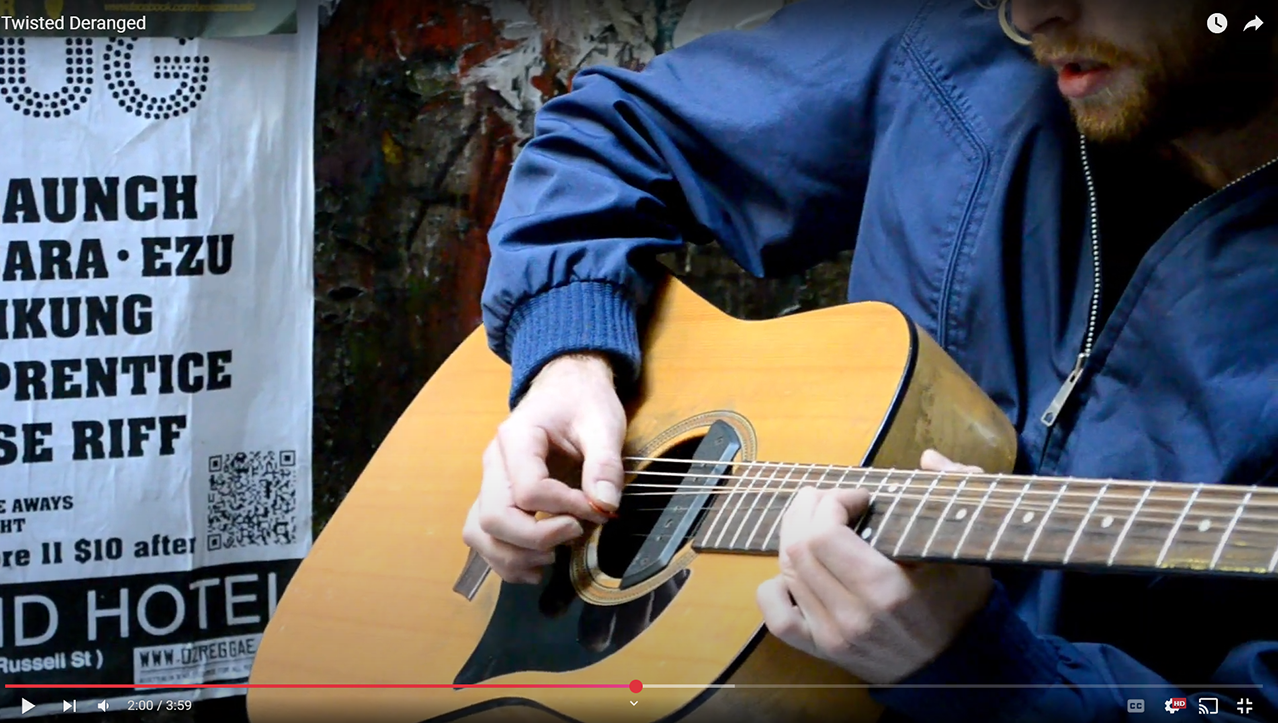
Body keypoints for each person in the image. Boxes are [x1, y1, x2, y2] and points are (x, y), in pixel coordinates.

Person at [461, 0, 1278, 720]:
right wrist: (568, 354)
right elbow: (615, 135)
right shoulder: (948, 40)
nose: (1029, 16)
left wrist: (984, 674)